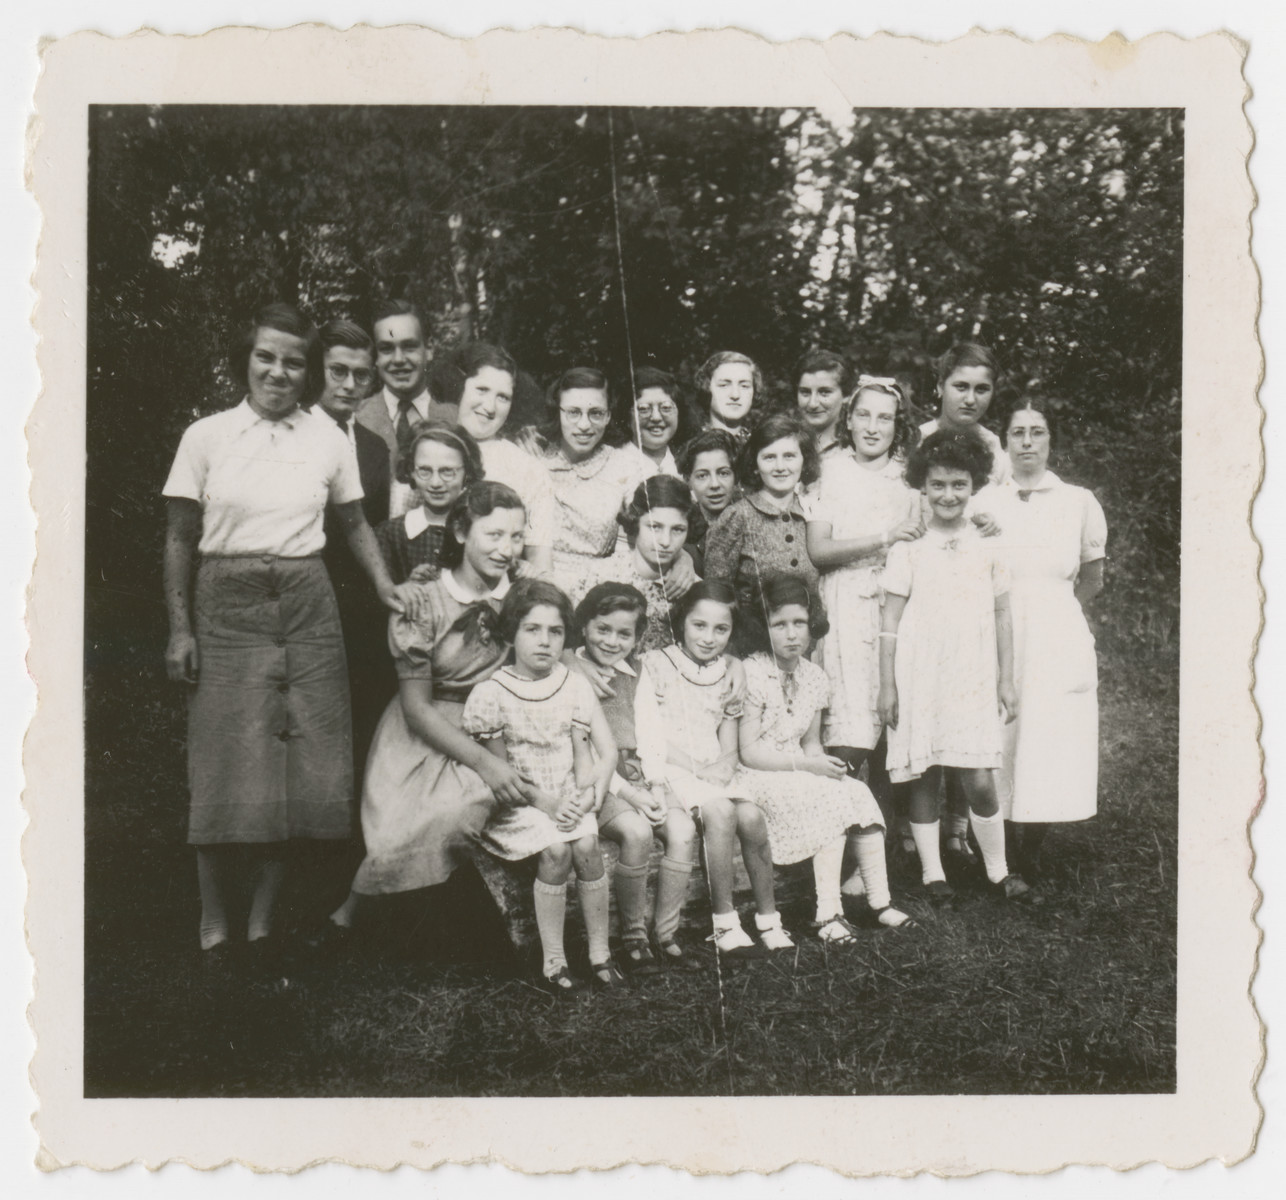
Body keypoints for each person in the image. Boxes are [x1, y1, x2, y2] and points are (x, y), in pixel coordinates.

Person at [162, 302, 422, 957]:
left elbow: (357, 525)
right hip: (228, 604)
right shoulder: (207, 436)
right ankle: (215, 915)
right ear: (245, 361)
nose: (278, 373)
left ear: (307, 372)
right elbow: (178, 538)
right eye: (266, 358)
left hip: (308, 607)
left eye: (292, 362)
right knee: (223, 761)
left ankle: (264, 919)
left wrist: (384, 586)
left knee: (296, 763)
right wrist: (180, 630)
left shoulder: (326, 439)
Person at [329, 483, 537, 930]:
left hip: (496, 726)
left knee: (470, 808)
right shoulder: (422, 600)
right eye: (494, 535)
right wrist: (486, 764)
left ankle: (452, 924)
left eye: (516, 537)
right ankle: (354, 914)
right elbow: (417, 708)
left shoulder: (524, 596)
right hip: (422, 731)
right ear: (461, 532)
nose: (506, 549)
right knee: (402, 829)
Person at [877, 430, 1030, 901]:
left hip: (971, 671)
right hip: (920, 671)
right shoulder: (907, 549)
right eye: (938, 484)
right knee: (925, 772)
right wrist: (888, 686)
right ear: (923, 486)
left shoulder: (988, 543)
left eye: (959, 485)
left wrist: (1006, 678)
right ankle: (932, 874)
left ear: (974, 486)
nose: (948, 495)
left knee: (978, 775)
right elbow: (889, 621)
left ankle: (998, 870)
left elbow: (1003, 614)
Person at [463, 579, 621, 994]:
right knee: (555, 849)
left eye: (555, 632)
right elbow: (503, 775)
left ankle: (600, 953)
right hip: (520, 803)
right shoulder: (491, 693)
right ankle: (554, 960)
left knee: (586, 846)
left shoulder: (573, 684)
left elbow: (595, 756)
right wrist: (550, 805)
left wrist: (586, 797)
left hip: (568, 796)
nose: (545, 642)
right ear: (511, 633)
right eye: (532, 629)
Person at [735, 576, 912, 940]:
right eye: (779, 625)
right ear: (763, 626)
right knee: (828, 802)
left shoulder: (814, 676)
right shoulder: (752, 672)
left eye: (799, 623)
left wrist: (824, 767)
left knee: (857, 793)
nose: (792, 635)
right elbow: (749, 751)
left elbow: (811, 743)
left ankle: (880, 903)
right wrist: (807, 767)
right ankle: (827, 914)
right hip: (757, 773)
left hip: (798, 766)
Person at [981, 400, 1107, 877]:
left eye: (1037, 432)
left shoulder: (1078, 500)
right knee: (999, 731)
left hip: (1056, 629)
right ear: (1006, 441)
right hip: (997, 624)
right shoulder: (985, 502)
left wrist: (1053, 610)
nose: (1028, 442)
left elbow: (1092, 577)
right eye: (1018, 433)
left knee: (1048, 734)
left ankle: (1031, 848)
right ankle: (1000, 851)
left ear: (1051, 441)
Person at [635, 582, 792, 956]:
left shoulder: (729, 671)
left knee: (751, 817)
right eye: (698, 626)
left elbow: (729, 733)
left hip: (712, 767)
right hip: (672, 765)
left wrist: (724, 765)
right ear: (681, 622)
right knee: (720, 811)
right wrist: (698, 769)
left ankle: (769, 919)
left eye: (721, 629)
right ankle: (723, 922)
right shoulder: (655, 663)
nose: (709, 638)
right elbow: (650, 734)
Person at [571, 584, 699, 973]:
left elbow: (650, 731)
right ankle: (633, 937)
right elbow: (587, 752)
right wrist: (629, 794)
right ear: (583, 628)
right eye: (603, 629)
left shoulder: (636, 672)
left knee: (682, 828)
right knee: (638, 833)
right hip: (600, 779)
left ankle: (666, 932)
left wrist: (656, 786)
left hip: (641, 774)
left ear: (637, 637)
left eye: (624, 634)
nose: (612, 641)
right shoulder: (572, 673)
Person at [803, 377, 922, 782]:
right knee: (850, 727)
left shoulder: (909, 479)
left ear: (897, 425)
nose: (873, 427)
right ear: (849, 420)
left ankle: (885, 837)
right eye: (864, 416)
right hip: (844, 601)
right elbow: (819, 550)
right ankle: (842, 827)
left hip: (898, 605)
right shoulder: (828, 473)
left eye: (885, 418)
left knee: (894, 723)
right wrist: (884, 537)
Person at [529, 366, 695, 600]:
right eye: (573, 412)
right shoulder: (534, 461)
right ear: (558, 413)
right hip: (541, 589)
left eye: (596, 413)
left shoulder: (624, 465)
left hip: (600, 591)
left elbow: (657, 521)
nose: (585, 425)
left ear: (608, 416)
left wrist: (683, 558)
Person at [314, 319, 394, 792]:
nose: (349, 385)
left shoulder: (374, 446)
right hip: (307, 598)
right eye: (336, 371)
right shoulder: (293, 433)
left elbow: (375, 528)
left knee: (364, 723)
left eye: (360, 375)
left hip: (362, 608)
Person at [444, 341, 554, 577]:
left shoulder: (528, 470)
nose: (490, 407)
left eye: (503, 397)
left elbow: (541, 567)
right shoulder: (428, 450)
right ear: (460, 388)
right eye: (481, 390)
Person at [703, 410, 821, 622]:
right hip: (752, 639)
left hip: (806, 641)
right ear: (755, 465)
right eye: (769, 457)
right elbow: (717, 592)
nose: (780, 467)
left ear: (804, 460)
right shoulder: (737, 516)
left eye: (789, 456)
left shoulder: (813, 512)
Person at [356, 299, 460, 517]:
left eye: (409, 347)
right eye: (386, 349)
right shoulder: (356, 417)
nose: (398, 359)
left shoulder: (457, 419)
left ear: (429, 349)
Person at [375, 423, 484, 583]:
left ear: (467, 473)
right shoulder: (390, 535)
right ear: (411, 471)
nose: (435, 482)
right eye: (424, 470)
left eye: (447, 471)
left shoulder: (478, 530)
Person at [919, 342, 1010, 487]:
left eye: (981, 389)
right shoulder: (918, 440)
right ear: (941, 386)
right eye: (961, 387)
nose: (970, 400)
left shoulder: (993, 447)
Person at [676, 427, 739, 562]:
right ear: (688, 480)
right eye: (702, 476)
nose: (714, 485)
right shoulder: (680, 531)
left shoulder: (750, 521)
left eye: (723, 473)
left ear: (736, 476)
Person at [627, 365, 694, 477]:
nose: (656, 417)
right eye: (644, 409)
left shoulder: (689, 463)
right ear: (627, 415)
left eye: (666, 408)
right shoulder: (614, 464)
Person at [793, 348, 856, 461]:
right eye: (805, 392)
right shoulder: (786, 444)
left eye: (824, 392)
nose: (813, 404)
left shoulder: (856, 450)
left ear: (846, 396)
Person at [691, 351, 765, 445]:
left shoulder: (762, 447)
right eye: (724, 385)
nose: (735, 395)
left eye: (744, 386)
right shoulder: (691, 446)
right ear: (706, 388)